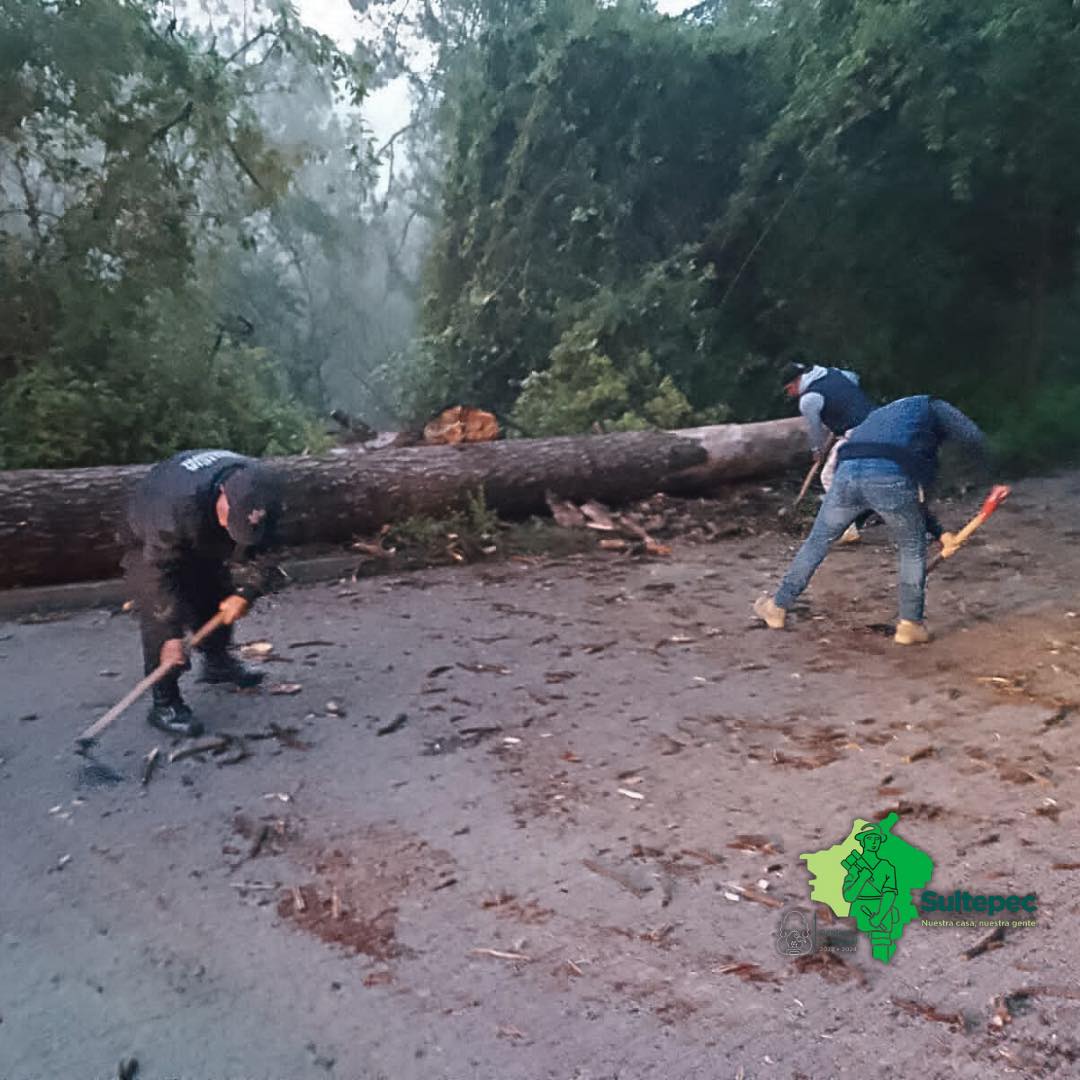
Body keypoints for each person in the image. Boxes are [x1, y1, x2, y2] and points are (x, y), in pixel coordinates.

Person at [754, 395, 986, 645]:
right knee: (911, 549)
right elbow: (973, 437)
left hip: (847, 472)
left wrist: (941, 534)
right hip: (888, 474)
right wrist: (993, 472)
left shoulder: (883, 416)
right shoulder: (934, 406)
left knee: (817, 542)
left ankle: (777, 607)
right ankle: (910, 625)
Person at [122, 449, 284, 736]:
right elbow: (159, 577)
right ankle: (164, 702)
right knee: (162, 615)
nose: (229, 529)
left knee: (215, 588)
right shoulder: (170, 510)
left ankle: (217, 662)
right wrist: (172, 636)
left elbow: (270, 547)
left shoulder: (265, 484)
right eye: (229, 522)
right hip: (150, 535)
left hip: (198, 521)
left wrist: (247, 591)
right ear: (222, 493)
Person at [782, 360, 877, 542]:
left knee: (828, 475)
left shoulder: (808, 399)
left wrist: (817, 451)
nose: (790, 394)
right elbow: (854, 381)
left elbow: (815, 429)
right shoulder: (835, 373)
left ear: (795, 382)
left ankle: (847, 528)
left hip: (858, 434)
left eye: (788, 389)